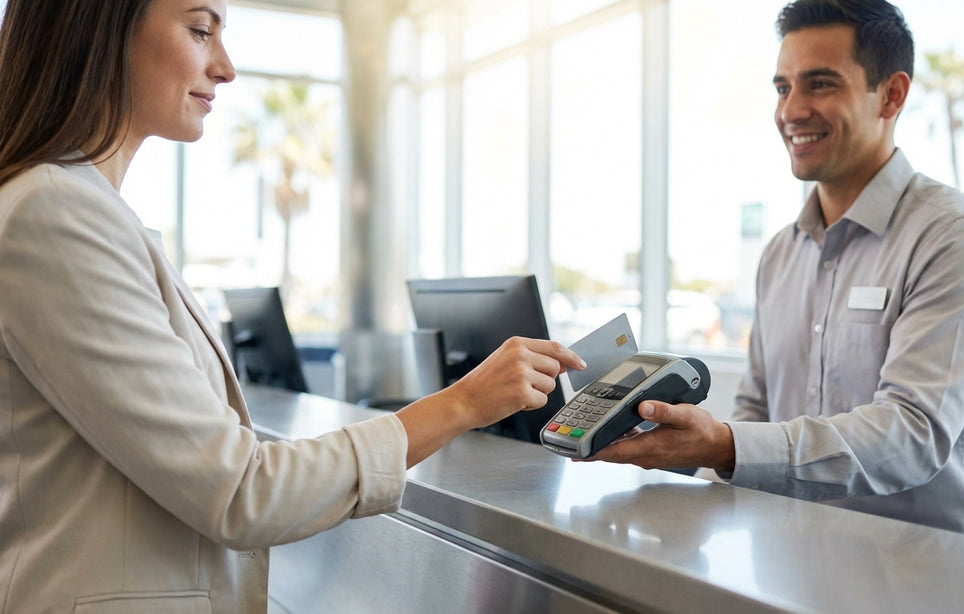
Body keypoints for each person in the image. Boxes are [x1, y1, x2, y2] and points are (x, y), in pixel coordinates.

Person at [0, 1, 584, 612]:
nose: (225, 68)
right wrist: (462, 403)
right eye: (201, 31)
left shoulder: (82, 209)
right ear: (101, 27)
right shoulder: (57, 214)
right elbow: (238, 491)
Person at [589, 0, 964, 537]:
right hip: (790, 561)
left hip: (924, 573)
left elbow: (913, 433)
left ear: (892, 94)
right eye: (783, 88)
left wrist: (725, 443)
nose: (791, 110)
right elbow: (756, 407)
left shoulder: (955, 234)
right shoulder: (779, 254)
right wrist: (685, 501)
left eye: (820, 84)